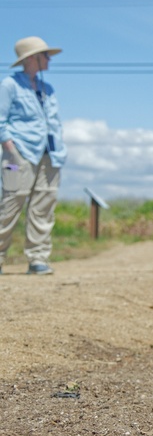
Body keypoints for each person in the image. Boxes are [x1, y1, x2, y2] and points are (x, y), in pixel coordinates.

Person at [0, 36, 67, 276]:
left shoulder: (48, 89)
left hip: (50, 155)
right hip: (19, 155)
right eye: (45, 55)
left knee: (44, 205)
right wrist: (11, 149)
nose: (49, 59)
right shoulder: (9, 85)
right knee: (11, 203)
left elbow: (54, 122)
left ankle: (38, 258)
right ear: (32, 58)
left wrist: (60, 149)